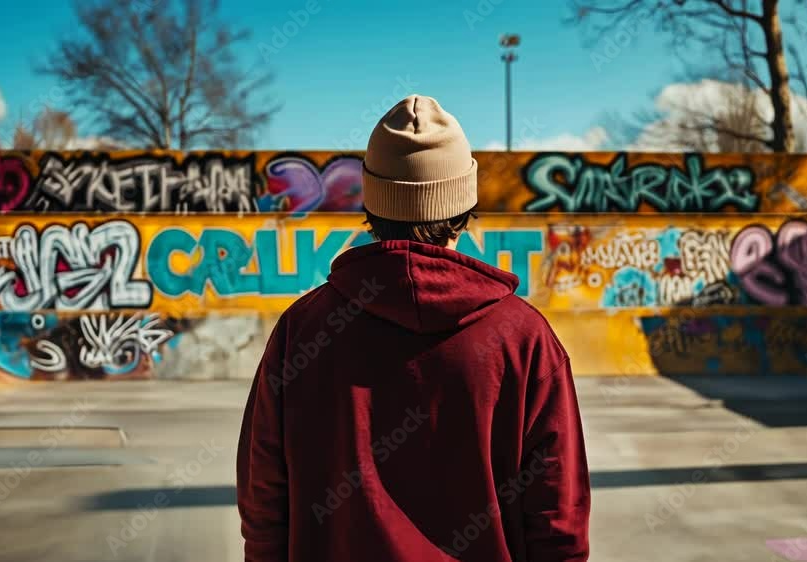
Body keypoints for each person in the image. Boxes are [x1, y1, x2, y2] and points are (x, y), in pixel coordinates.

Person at [237, 94, 590, 561]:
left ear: (373, 205)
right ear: (464, 202)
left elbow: (264, 504)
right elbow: (558, 519)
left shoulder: (302, 331)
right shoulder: (523, 339)